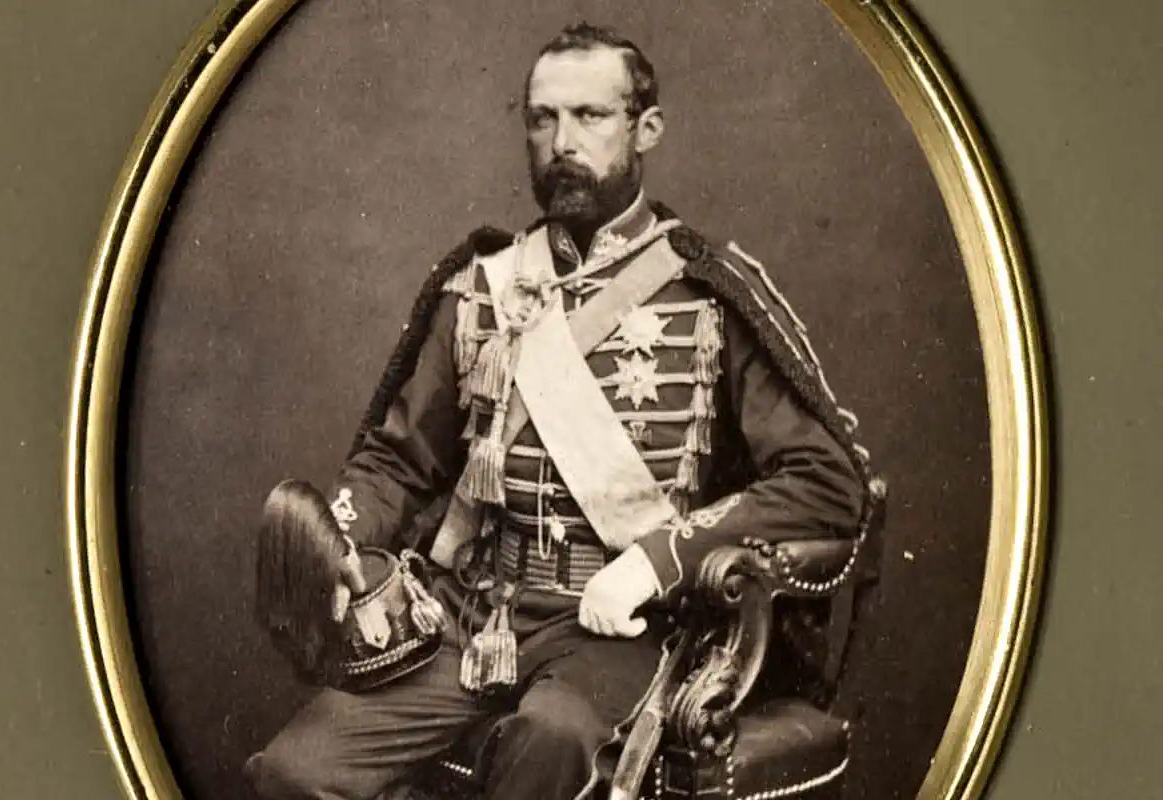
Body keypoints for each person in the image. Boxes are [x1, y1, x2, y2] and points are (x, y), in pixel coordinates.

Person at [245, 21, 881, 800]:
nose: (561, 140)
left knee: (547, 743)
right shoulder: (479, 286)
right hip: (475, 620)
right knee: (295, 772)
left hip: (622, 632)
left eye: (590, 116)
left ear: (646, 128)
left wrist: (656, 562)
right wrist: (338, 539)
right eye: (543, 118)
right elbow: (396, 461)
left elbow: (826, 482)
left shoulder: (708, 294)